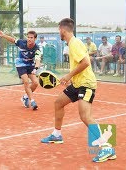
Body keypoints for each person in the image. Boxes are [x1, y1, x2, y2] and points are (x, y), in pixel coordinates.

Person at [40, 17, 116, 162]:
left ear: (62, 29)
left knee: (85, 116)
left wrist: (68, 76)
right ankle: (56, 135)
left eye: (59, 31)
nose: (59, 33)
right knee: (58, 103)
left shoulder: (74, 43)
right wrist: (71, 79)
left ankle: (107, 148)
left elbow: (86, 62)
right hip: (77, 83)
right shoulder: (72, 43)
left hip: (86, 84)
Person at [0, 30, 41, 110]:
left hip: (30, 64)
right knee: (26, 81)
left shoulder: (37, 49)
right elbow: (12, 40)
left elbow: (37, 60)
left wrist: (35, 68)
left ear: (35, 39)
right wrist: (3, 35)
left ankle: (25, 97)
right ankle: (32, 101)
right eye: (28, 37)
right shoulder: (21, 43)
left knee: (36, 83)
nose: (29, 39)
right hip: (20, 64)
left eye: (31, 38)